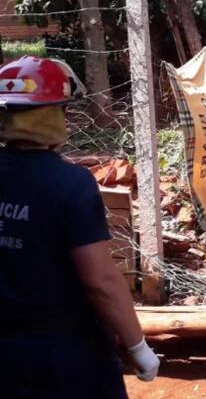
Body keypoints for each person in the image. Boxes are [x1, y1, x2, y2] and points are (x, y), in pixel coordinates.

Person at [0, 56, 160, 398]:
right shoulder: (69, 184)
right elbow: (101, 280)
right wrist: (138, 347)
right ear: (55, 115)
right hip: (61, 356)